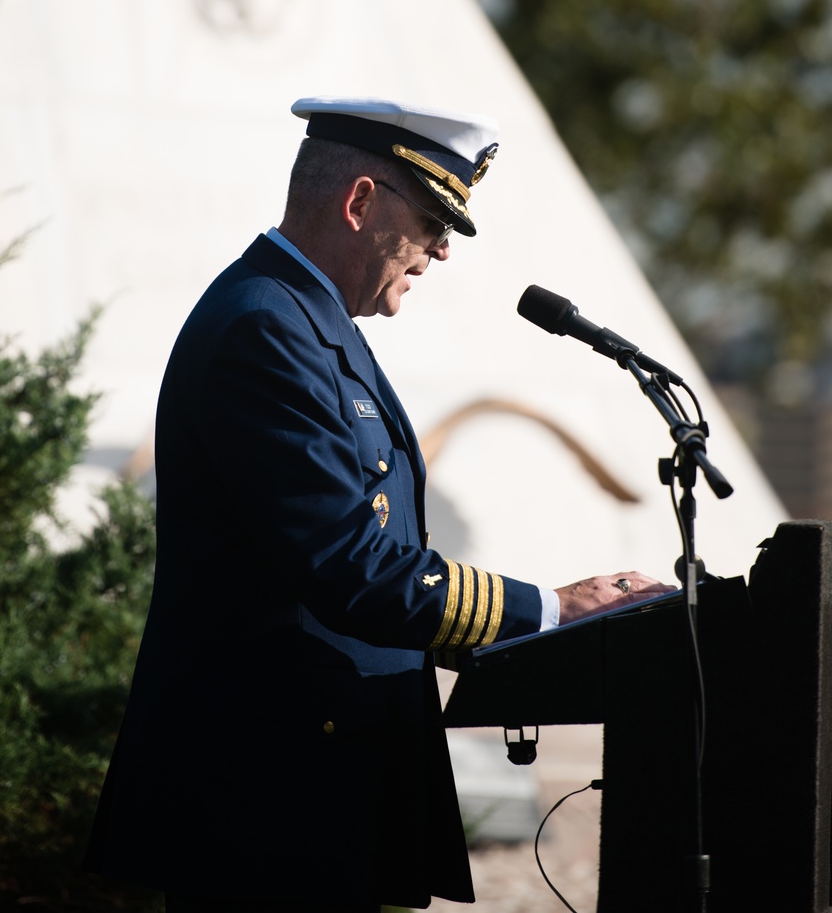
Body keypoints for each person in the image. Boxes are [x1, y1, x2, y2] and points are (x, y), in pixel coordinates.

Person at [85, 98, 670, 912]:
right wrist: (553, 609)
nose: (439, 253)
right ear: (359, 202)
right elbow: (353, 570)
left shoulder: (309, 321)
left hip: (317, 777)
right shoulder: (266, 330)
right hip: (267, 793)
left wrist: (549, 625)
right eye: (434, 222)